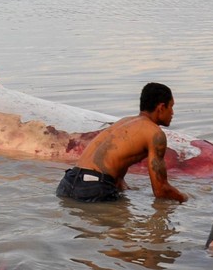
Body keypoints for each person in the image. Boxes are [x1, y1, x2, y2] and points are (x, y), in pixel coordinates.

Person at [56, 82, 188, 203]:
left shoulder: (124, 122)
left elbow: (117, 177)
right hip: (94, 187)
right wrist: (186, 199)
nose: (172, 113)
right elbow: (161, 190)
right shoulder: (155, 134)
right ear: (161, 107)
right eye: (171, 106)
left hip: (68, 182)